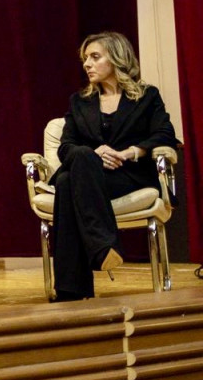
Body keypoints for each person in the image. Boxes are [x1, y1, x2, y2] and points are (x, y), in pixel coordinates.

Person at [51, 32, 176, 301]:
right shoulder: (79, 101)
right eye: (85, 59)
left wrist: (130, 152)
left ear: (117, 58)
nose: (87, 64)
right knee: (77, 163)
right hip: (88, 173)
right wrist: (94, 154)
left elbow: (165, 134)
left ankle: (70, 290)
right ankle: (102, 246)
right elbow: (66, 146)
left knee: (66, 182)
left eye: (95, 57)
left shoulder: (147, 96)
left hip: (127, 176)